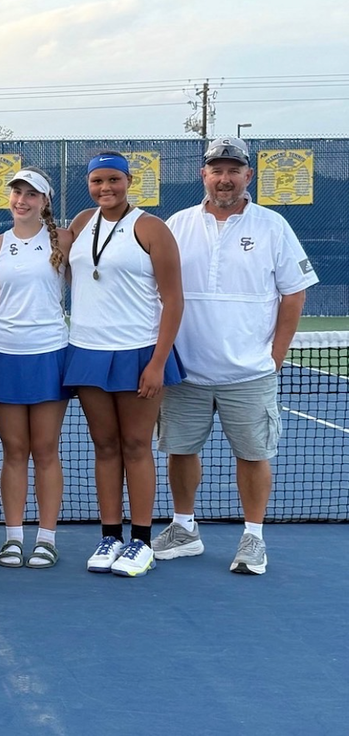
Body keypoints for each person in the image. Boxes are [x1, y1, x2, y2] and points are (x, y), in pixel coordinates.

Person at [153, 137, 319, 575]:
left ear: (248, 176)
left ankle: (253, 538)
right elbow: (160, 291)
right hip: (186, 371)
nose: (224, 178)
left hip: (249, 373)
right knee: (181, 451)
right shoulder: (177, 224)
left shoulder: (273, 226)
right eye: (216, 170)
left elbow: (294, 294)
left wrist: (275, 356)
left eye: (233, 170)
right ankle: (184, 529)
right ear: (202, 175)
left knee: (252, 456)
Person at [65, 152, 184, 577]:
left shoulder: (152, 228)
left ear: (129, 181)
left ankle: (142, 541)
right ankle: (110, 536)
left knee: (137, 446)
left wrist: (157, 362)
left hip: (138, 351)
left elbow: (174, 299)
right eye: (97, 181)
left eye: (113, 179)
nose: (105, 188)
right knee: (105, 446)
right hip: (87, 350)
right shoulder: (80, 224)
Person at [0, 168, 72, 569]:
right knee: (14, 452)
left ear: (44, 201)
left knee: (46, 451)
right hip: (3, 355)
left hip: (51, 354)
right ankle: (14, 537)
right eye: (17, 192)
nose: (22, 199)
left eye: (31, 194)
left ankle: (47, 539)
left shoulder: (65, 240)